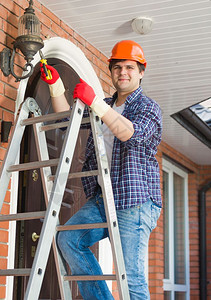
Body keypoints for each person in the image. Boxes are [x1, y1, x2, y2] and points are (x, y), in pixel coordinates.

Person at [40, 40, 162, 300]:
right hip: (103, 199)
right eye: (117, 67)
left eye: (130, 67)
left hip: (135, 201)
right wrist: (56, 86)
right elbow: (65, 122)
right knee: (69, 240)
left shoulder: (148, 108)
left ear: (141, 72)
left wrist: (96, 103)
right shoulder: (103, 104)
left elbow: (131, 134)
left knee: (132, 278)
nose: (123, 73)